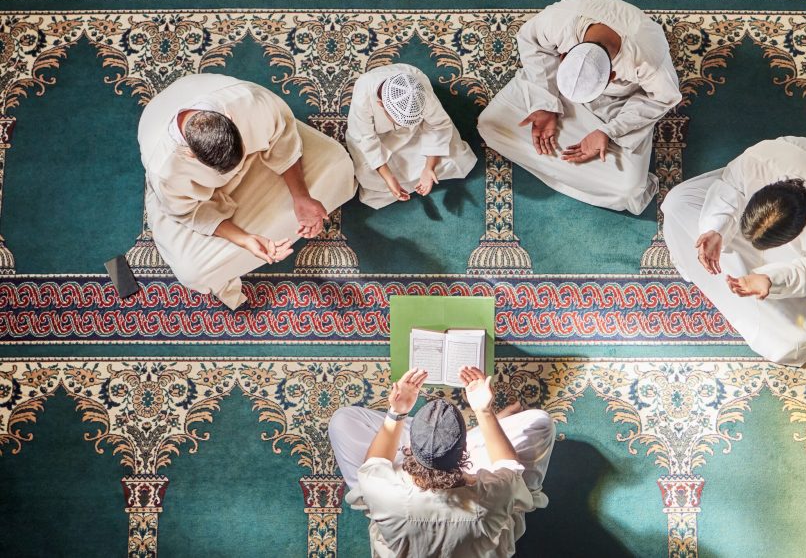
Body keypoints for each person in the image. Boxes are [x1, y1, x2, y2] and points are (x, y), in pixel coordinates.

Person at [138, 73, 357, 309]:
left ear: (229, 117)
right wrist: (244, 240)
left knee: (339, 163)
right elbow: (189, 212)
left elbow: (282, 139)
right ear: (190, 154)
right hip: (195, 197)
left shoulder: (250, 102)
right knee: (193, 273)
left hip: (258, 159)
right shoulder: (166, 170)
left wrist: (300, 196)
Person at [661, 136, 806, 366]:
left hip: (801, 256)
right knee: (676, 203)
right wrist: (715, 229)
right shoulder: (759, 159)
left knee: (797, 341)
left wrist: (771, 281)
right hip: (764, 186)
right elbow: (732, 186)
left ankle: (747, 274)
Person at [478, 0, 682, 214]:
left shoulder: (648, 60)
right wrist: (544, 104)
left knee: (629, 190)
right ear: (564, 55)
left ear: (612, 76)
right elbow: (532, 42)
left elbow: (663, 98)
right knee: (490, 126)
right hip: (556, 86)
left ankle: (594, 158)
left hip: (615, 106)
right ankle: (589, 169)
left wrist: (608, 131)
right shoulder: (559, 21)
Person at [328, 367, 556, 557]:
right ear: (463, 453)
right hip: (478, 501)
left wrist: (397, 413)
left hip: (396, 497)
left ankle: (449, 437)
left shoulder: (383, 491)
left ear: (410, 450)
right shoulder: (493, 493)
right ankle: (473, 436)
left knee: (342, 421)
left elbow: (374, 463)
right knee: (541, 423)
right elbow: (509, 467)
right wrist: (484, 411)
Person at [346, 64, 477, 208]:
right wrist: (390, 179)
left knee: (456, 157)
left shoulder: (420, 91)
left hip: (416, 130)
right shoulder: (363, 95)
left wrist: (429, 168)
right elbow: (365, 139)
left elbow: (438, 125)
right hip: (377, 136)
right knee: (371, 176)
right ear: (380, 104)